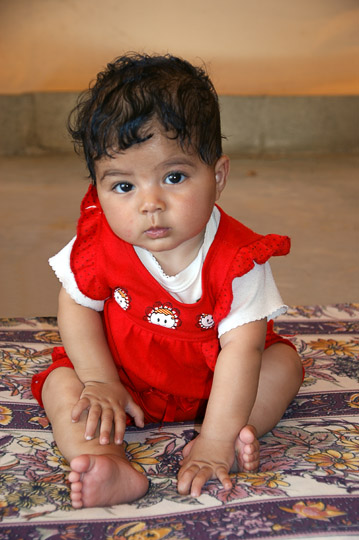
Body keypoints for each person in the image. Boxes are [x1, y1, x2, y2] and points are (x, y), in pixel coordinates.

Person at [31, 53, 303, 509]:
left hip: (218, 383)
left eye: (173, 177)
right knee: (64, 386)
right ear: (96, 186)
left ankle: (229, 439)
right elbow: (77, 303)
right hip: (124, 377)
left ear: (217, 176)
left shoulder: (238, 259)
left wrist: (215, 438)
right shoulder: (99, 241)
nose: (150, 204)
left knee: (282, 367)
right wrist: (99, 381)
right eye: (123, 186)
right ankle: (104, 461)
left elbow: (242, 349)